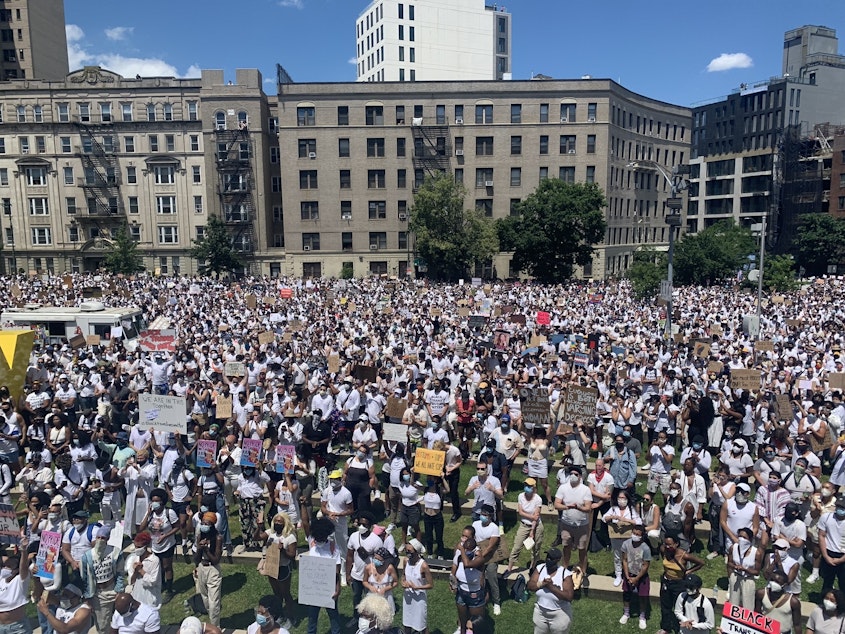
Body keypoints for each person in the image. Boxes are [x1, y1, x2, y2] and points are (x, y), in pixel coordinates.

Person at [79, 525, 126, 634]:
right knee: (102, 625)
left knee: (121, 620)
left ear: (107, 539)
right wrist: (87, 597)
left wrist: (118, 590)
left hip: (113, 590)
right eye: (98, 537)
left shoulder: (115, 552)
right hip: (98, 594)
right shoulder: (87, 556)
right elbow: (85, 579)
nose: (100, 540)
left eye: (103, 538)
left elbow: (120, 572)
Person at [256, 513, 298, 630]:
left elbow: (292, 555)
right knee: (277, 594)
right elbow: (257, 538)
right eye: (276, 521)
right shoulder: (270, 533)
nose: (278, 523)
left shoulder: (290, 537)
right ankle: (279, 615)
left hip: (283, 568)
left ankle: (291, 617)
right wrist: (259, 527)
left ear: (285, 523)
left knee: (285, 594)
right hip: (271, 566)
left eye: (280, 522)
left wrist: (282, 550)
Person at [657, 535, 704, 634]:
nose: (668, 547)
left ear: (676, 544)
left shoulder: (684, 555)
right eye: (666, 544)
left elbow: (701, 563)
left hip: (678, 584)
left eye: (670, 545)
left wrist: (689, 571)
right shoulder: (663, 550)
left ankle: (680, 629)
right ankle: (666, 628)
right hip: (666, 582)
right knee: (665, 606)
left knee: (679, 608)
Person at [554, 465, 593, 584]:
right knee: (566, 546)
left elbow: (588, 508)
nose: (573, 476)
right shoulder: (563, 488)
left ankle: (583, 571)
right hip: (566, 524)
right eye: (571, 474)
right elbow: (557, 504)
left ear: (580, 477)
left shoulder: (585, 489)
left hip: (581, 524)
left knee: (582, 549)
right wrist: (567, 507)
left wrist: (579, 508)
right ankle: (565, 569)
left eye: (576, 474)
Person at [138, 489, 178, 601]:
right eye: (153, 500)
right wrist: (148, 514)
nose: (154, 503)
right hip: (155, 545)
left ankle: (169, 590)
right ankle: (162, 584)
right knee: (159, 566)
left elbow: (177, 527)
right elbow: (141, 528)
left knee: (167, 566)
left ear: (162, 502)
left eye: (157, 501)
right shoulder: (151, 514)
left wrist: (165, 536)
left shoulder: (169, 513)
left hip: (167, 544)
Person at [346, 511, 383, 629]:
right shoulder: (353, 537)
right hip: (356, 574)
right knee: (356, 596)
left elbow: (381, 560)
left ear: (370, 526)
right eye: (360, 524)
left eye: (365, 525)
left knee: (369, 599)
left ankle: (370, 621)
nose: (362, 527)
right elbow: (349, 556)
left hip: (370, 576)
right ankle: (356, 617)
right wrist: (347, 573)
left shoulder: (376, 541)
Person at [305, 517, 342, 634]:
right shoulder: (312, 543)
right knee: (312, 618)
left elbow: (337, 570)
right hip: (313, 589)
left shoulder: (333, 549)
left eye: (321, 538)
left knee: (333, 616)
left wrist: (337, 589)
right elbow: (305, 523)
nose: (318, 540)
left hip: (328, 588)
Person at [527, 548, 573, 634]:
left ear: (557, 560)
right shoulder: (540, 568)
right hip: (540, 612)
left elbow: (569, 596)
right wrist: (541, 583)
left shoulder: (565, 574)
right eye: (547, 557)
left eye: (551, 558)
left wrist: (551, 587)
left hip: (559, 614)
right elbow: (530, 586)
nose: (548, 560)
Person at [603, 489, 642, 587]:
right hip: (616, 536)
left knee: (629, 555)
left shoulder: (631, 510)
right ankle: (618, 575)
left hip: (627, 536)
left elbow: (639, 522)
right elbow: (604, 518)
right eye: (619, 498)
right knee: (617, 555)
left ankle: (628, 574)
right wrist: (612, 517)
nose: (621, 500)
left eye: (623, 498)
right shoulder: (613, 509)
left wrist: (626, 520)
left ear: (627, 499)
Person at [450, 534, 486, 634]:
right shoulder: (460, 557)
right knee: (462, 622)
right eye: (466, 549)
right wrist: (453, 583)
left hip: (474, 595)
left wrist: (461, 550)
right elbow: (455, 570)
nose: (467, 551)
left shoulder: (479, 559)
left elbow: (467, 564)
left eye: (469, 549)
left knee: (475, 625)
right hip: (461, 592)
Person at [192, 512, 223, 627]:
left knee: (214, 602)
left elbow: (216, 560)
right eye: (203, 523)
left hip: (212, 569)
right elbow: (196, 559)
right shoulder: (200, 536)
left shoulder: (218, 538)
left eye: (207, 524)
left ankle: (215, 627)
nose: (204, 525)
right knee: (205, 598)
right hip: (201, 568)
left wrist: (206, 550)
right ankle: (213, 618)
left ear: (212, 525)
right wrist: (200, 548)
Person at [507, 477, 543, 574]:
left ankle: (532, 567)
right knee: (517, 546)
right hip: (524, 525)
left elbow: (536, 517)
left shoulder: (538, 499)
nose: (527, 487)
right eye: (526, 485)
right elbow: (521, 512)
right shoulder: (521, 496)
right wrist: (531, 517)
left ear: (534, 488)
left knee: (535, 549)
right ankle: (509, 568)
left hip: (536, 526)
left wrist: (532, 530)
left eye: (529, 486)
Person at [620, 524, 651, 631]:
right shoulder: (626, 544)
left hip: (641, 576)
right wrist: (627, 575)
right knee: (626, 594)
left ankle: (642, 616)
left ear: (642, 536)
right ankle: (626, 613)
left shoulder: (646, 548)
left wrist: (637, 578)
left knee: (643, 597)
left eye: (637, 534)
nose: (635, 536)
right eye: (634, 533)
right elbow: (624, 559)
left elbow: (645, 565)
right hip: (629, 574)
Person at [472, 503, 502, 616]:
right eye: (482, 513)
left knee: (492, 576)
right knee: (479, 578)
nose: (482, 516)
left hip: (490, 557)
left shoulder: (494, 528)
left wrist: (481, 556)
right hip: (478, 554)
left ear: (490, 516)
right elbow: (473, 538)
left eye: (485, 514)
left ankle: (496, 602)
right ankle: (481, 599)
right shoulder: (475, 524)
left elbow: (491, 546)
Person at [0, 536, 32, 634]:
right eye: (5, 565)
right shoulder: (1, 579)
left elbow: (24, 567)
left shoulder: (20, 580)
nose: (6, 567)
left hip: (18, 627)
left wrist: (23, 550)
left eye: (10, 565)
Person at [726, 526, 763, 608]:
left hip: (748, 579)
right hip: (736, 577)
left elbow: (756, 571)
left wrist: (745, 569)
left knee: (748, 605)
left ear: (750, 539)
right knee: (733, 603)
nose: (741, 539)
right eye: (740, 536)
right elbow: (729, 563)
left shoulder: (756, 553)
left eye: (744, 537)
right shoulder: (733, 548)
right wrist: (735, 567)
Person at [401, 539, 432, 634]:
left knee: (421, 624)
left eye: (410, 551)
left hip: (419, 599)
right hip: (408, 597)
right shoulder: (406, 561)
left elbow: (430, 585)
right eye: (407, 551)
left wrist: (417, 587)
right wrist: (403, 582)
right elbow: (403, 575)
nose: (408, 553)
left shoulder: (423, 565)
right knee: (407, 622)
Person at [125, 531, 161, 610]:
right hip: (137, 596)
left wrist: (141, 571)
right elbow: (131, 581)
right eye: (135, 546)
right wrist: (135, 571)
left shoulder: (154, 560)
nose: (137, 549)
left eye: (139, 547)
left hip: (150, 598)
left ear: (146, 546)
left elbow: (152, 581)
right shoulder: (134, 558)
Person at [819, 494, 845, 593]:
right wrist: (826, 556)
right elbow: (821, 536)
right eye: (838, 506)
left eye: (843, 507)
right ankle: (824, 602)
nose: (840, 509)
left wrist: (841, 560)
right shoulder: (826, 517)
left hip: (843, 555)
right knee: (827, 582)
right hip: (829, 552)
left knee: (843, 583)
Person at [363, 547, 398, 613]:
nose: (376, 560)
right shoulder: (368, 567)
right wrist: (370, 587)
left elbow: (395, 582)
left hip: (386, 596)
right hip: (372, 595)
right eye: (375, 558)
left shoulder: (390, 568)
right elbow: (364, 581)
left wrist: (385, 589)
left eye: (379, 559)